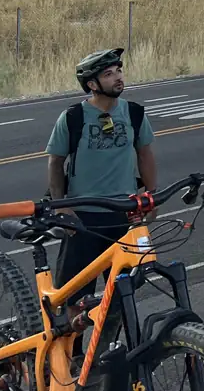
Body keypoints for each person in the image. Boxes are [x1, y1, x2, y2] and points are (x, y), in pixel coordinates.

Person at [45, 48, 157, 292]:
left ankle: (112, 332)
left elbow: (145, 154)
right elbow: (55, 162)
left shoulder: (134, 113)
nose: (118, 77)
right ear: (92, 84)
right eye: (108, 74)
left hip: (124, 214)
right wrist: (61, 206)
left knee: (121, 293)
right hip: (83, 217)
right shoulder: (72, 117)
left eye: (119, 71)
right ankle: (73, 332)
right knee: (73, 296)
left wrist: (151, 197)